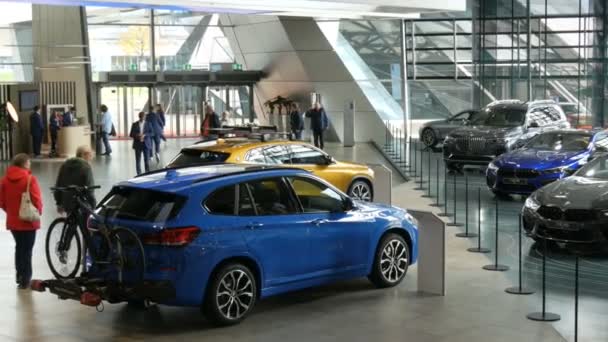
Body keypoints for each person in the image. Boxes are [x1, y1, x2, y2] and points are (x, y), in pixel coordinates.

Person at [0, 154, 43, 289]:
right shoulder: (30, 179)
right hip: (28, 221)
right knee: (27, 250)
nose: (30, 164)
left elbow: (1, 201)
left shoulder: (4, 180)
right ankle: (26, 279)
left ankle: (20, 276)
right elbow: (36, 200)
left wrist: (11, 212)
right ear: (24, 164)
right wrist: (38, 212)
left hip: (14, 221)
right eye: (29, 162)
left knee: (19, 248)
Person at [54, 145, 96, 214]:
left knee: (71, 221)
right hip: (81, 204)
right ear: (85, 154)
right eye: (90, 155)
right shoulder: (86, 167)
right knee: (87, 223)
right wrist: (93, 205)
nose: (91, 158)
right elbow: (89, 189)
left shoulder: (65, 165)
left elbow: (59, 184)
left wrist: (58, 202)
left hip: (66, 202)